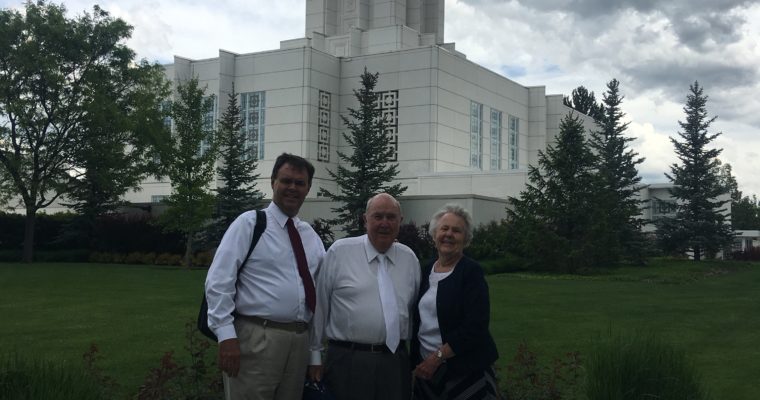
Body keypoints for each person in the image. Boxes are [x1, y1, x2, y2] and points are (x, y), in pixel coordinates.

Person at [205, 153, 326, 400]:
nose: (292, 188)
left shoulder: (310, 237)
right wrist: (226, 336)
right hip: (256, 338)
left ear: (308, 188)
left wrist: (314, 353)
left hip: (299, 341)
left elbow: (318, 294)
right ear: (273, 182)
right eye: (286, 181)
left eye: (300, 183)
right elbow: (219, 281)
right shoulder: (250, 224)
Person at [308, 193, 421, 400]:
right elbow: (320, 306)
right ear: (365, 219)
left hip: (395, 362)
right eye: (378, 216)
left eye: (391, 217)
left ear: (400, 221)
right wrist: (314, 354)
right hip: (348, 359)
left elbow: (413, 311)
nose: (384, 223)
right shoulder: (340, 252)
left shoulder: (409, 259)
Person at [411, 204, 499, 400]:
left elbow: (476, 325)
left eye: (456, 230)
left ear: (465, 239)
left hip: (466, 371)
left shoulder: (470, 272)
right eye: (444, 229)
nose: (449, 234)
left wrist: (438, 357)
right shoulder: (425, 271)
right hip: (428, 372)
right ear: (434, 235)